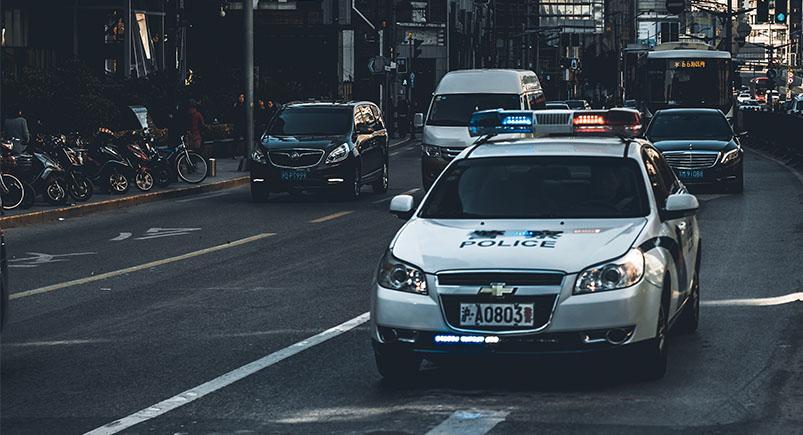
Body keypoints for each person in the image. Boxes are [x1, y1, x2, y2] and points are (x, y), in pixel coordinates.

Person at [232, 93, 247, 157]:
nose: (241, 99)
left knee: (246, 139)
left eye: (242, 97)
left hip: (244, 124)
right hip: (237, 124)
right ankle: (234, 153)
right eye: (240, 97)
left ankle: (246, 152)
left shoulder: (245, 105)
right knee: (236, 139)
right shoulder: (236, 105)